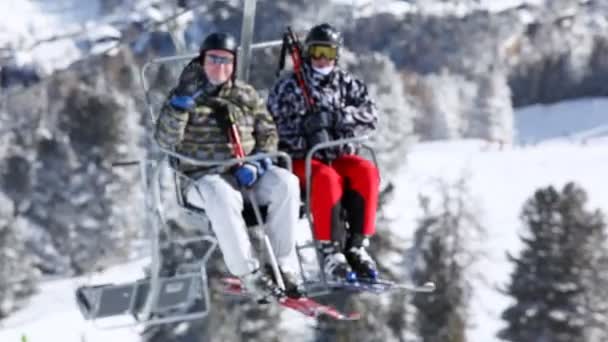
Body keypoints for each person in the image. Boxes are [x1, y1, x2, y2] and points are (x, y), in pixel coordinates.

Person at [154, 32, 302, 299]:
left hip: (246, 173)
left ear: (234, 64)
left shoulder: (244, 93)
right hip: (203, 178)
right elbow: (165, 139)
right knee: (221, 196)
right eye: (213, 60)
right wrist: (179, 105)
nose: (219, 67)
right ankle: (249, 274)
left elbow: (267, 131)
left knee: (287, 184)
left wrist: (259, 162)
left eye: (226, 61)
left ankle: (283, 265)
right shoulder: (185, 93)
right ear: (202, 60)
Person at [267, 23, 380, 282]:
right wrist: (302, 129)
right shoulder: (290, 86)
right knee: (326, 179)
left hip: (337, 153)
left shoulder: (346, 83)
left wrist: (340, 118)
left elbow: (371, 115)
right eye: (316, 52)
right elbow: (270, 125)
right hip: (301, 159)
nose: (321, 60)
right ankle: (330, 250)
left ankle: (356, 245)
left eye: (327, 53)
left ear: (336, 55)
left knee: (366, 172)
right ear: (307, 53)